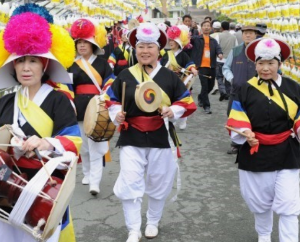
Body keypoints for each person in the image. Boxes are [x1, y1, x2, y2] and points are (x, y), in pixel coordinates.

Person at [104, 22, 197, 242]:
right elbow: (111, 99)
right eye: (140, 47)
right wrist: (116, 113)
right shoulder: (126, 75)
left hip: (161, 136)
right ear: (135, 49)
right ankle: (133, 229)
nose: (145, 51)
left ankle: (153, 221)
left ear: (159, 50)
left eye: (150, 47)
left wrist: (171, 110)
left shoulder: (169, 76)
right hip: (131, 136)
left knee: (159, 182)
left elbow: (186, 101)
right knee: (130, 182)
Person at [0, 4, 82, 242]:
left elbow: (74, 141)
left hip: (45, 192)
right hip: (5, 190)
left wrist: (46, 142)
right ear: (12, 65)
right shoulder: (5, 101)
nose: (26, 67)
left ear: (44, 65)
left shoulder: (59, 100)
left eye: (33, 61)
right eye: (20, 61)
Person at [227, 37, 300, 242]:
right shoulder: (245, 89)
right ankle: (264, 236)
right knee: (259, 202)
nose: (265, 68)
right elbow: (237, 117)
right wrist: (245, 132)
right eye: (261, 63)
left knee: (289, 204)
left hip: (288, 152)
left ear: (279, 63)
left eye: (271, 63)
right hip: (255, 151)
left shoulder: (294, 88)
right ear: (255, 63)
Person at [69, 18, 115, 196]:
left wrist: (104, 94)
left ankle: (94, 182)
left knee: (96, 146)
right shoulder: (71, 64)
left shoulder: (103, 64)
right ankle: (87, 173)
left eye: (85, 42)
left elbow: (111, 81)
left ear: (92, 44)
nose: (81, 46)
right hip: (78, 108)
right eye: (78, 42)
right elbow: (67, 86)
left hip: (97, 106)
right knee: (84, 147)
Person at [223, 25, 257, 154]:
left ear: (255, 35)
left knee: (252, 116)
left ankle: (251, 141)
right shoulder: (235, 51)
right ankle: (236, 143)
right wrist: (232, 79)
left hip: (254, 92)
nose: (248, 35)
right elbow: (226, 67)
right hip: (236, 91)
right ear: (242, 35)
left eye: (250, 33)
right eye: (245, 33)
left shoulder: (258, 51)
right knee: (233, 116)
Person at [160, 25, 198, 130]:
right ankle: (172, 118)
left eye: (173, 40)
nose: (171, 42)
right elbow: (160, 65)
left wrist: (193, 69)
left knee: (181, 101)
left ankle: (183, 119)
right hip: (168, 81)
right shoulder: (166, 54)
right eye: (170, 40)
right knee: (170, 101)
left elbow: (189, 64)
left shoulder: (183, 55)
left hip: (180, 82)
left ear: (178, 42)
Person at [191, 20, 223, 114]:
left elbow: (218, 48)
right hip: (201, 66)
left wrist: (220, 54)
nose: (206, 27)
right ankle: (207, 106)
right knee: (205, 86)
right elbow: (189, 41)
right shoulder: (196, 39)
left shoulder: (213, 40)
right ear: (201, 27)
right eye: (204, 25)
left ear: (211, 28)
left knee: (211, 86)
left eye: (208, 26)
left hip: (212, 66)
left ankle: (201, 97)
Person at [216, 21, 238, 101]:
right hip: (230, 60)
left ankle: (222, 91)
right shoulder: (233, 37)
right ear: (229, 27)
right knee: (228, 77)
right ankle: (228, 93)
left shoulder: (219, 36)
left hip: (220, 59)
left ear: (221, 28)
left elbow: (216, 47)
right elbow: (236, 48)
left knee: (219, 77)